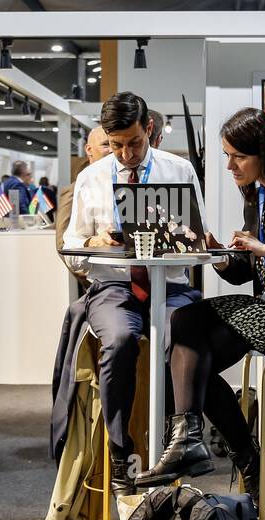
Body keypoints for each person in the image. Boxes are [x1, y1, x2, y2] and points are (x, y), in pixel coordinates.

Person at [136, 108, 265, 500]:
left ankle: (210, 449)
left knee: (186, 350)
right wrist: (218, 252)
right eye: (226, 156)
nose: (230, 166)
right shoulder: (256, 194)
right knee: (184, 345)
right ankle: (243, 459)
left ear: (262, 152)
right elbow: (245, 271)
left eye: (238, 156)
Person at [61, 92, 205, 496]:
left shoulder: (179, 170)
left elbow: (200, 241)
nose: (125, 153)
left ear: (150, 130)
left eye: (134, 143)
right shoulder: (91, 177)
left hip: (171, 286)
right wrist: (95, 241)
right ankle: (120, 451)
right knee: (121, 341)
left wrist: (176, 240)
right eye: (115, 144)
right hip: (113, 286)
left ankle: (180, 440)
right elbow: (72, 249)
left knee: (186, 337)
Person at [55, 126, 112, 257]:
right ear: (89, 150)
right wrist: (87, 275)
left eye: (113, 144)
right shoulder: (76, 188)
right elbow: (63, 245)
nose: (111, 150)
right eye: (105, 144)